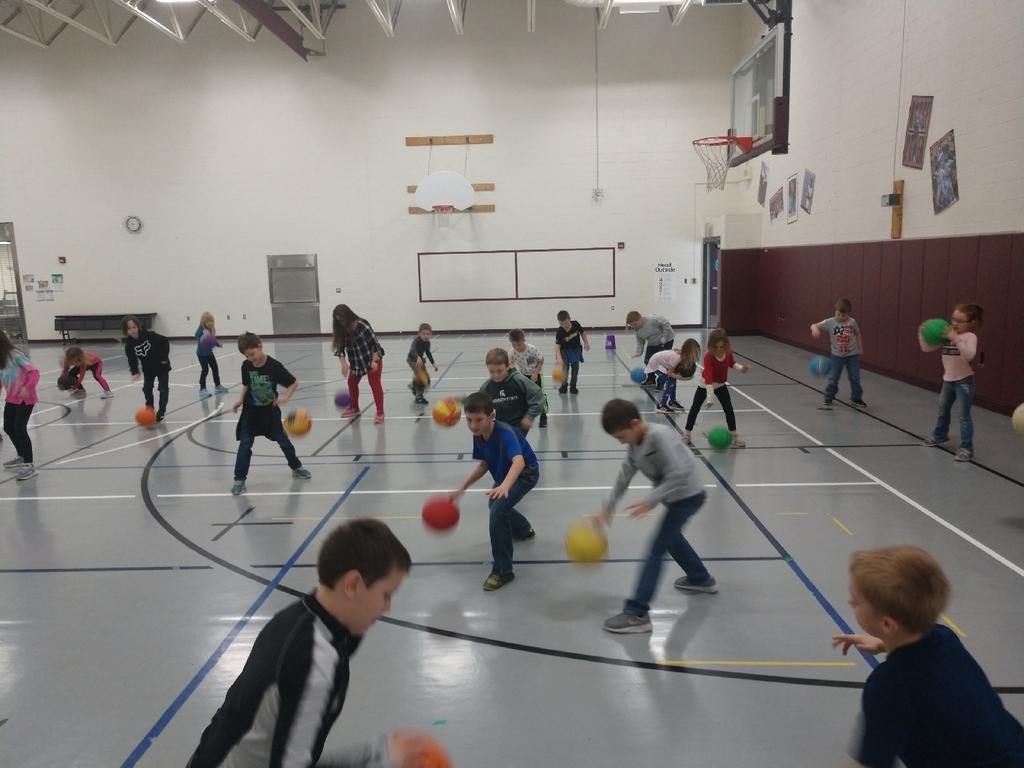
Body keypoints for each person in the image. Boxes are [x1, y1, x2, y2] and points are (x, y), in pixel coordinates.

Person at [187, 518, 436, 768]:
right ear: (352, 585)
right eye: (385, 595)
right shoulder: (314, 662)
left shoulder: (297, 619)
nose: (387, 608)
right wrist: (377, 758)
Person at [832, 545, 1024, 768]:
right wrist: (884, 644)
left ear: (887, 624)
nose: (849, 601)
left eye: (856, 601)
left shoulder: (890, 685)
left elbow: (871, 763)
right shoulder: (944, 637)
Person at [596, 399, 715, 633]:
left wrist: (651, 499)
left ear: (635, 424)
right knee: (672, 539)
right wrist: (607, 507)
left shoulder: (661, 436)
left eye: (621, 436)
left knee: (656, 549)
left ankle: (637, 613)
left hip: (689, 495)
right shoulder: (635, 445)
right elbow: (624, 476)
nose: (621, 442)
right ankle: (701, 579)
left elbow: (679, 473)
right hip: (674, 497)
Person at [452, 392, 539, 592]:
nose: (473, 425)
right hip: (505, 475)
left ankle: (503, 570)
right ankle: (524, 529)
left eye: (478, 420)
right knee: (495, 504)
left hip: (524, 474)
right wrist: (463, 485)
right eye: (469, 420)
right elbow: (484, 464)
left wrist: (505, 486)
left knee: (498, 510)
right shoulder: (479, 435)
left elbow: (519, 461)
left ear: (491, 416)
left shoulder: (505, 433)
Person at [230, 332, 312, 496]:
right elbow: (246, 384)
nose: (251, 359)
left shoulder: (274, 366)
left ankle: (296, 466)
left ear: (260, 346)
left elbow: (293, 383)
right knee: (245, 445)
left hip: (270, 414)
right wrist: (240, 399)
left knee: (284, 442)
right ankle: (239, 479)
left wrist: (286, 397)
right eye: (247, 356)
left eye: (252, 354)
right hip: (250, 414)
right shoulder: (246, 366)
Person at [919, 302, 983, 461]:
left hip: (964, 382)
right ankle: (940, 435)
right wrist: (922, 333)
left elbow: (969, 356)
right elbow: (926, 348)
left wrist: (956, 339)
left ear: (970, 323)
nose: (955, 323)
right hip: (948, 381)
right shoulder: (946, 336)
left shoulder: (969, 337)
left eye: (960, 321)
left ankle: (967, 448)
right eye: (954, 319)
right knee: (942, 410)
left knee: (963, 416)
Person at [682, 328, 750, 447]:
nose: (719, 350)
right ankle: (687, 434)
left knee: (728, 408)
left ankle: (734, 435)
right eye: (716, 347)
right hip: (705, 384)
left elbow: (731, 363)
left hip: (721, 384)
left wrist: (741, 368)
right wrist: (710, 398)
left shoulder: (728, 352)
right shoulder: (708, 357)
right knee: (695, 408)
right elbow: (709, 376)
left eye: (721, 347)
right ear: (711, 345)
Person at [333, 304, 385, 424]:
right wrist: (344, 364)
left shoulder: (362, 325)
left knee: (374, 383)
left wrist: (374, 361)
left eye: (342, 319)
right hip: (356, 362)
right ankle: (354, 407)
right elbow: (340, 350)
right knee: (351, 382)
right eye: (338, 321)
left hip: (371, 359)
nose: (341, 323)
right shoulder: (341, 330)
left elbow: (374, 343)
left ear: (348, 315)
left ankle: (380, 412)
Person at [811, 298, 866, 408]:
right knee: (833, 378)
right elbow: (814, 325)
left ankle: (856, 398)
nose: (840, 317)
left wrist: (860, 347)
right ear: (835, 312)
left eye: (843, 315)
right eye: (838, 314)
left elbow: (857, 333)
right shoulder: (830, 322)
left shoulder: (852, 322)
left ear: (848, 314)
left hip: (852, 355)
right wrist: (814, 328)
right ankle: (829, 396)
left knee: (855, 377)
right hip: (837, 356)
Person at [0, 330, 40, 480]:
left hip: (25, 398)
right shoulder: (1, 359)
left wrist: (28, 388)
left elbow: (34, 372)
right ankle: (21, 456)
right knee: (8, 427)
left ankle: (29, 465)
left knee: (19, 428)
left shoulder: (15, 355)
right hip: (11, 398)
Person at [480, 348, 543, 436]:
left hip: (518, 424)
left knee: (511, 442)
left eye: (499, 371)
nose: (496, 375)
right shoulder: (486, 388)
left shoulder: (519, 380)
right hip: (499, 425)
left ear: (508, 366)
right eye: (492, 371)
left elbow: (537, 395)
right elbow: (479, 406)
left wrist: (530, 416)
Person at [122, 315, 171, 423]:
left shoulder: (149, 335)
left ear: (138, 326)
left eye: (134, 327)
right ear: (125, 330)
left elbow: (164, 341)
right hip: (148, 369)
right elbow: (132, 359)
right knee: (147, 389)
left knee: (163, 389)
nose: (132, 330)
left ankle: (161, 412)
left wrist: (164, 357)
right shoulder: (129, 345)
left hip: (162, 366)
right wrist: (135, 372)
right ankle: (149, 408)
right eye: (129, 328)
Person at [646, 338, 700, 415]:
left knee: (672, 380)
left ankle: (672, 401)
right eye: (695, 352)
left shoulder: (682, 356)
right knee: (670, 382)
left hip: (662, 363)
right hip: (656, 363)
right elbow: (670, 373)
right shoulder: (677, 357)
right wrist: (683, 379)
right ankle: (661, 405)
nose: (695, 354)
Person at [508, 328, 548, 428]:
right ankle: (524, 416)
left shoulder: (531, 349)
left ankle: (543, 415)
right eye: (514, 345)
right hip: (523, 375)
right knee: (523, 396)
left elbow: (541, 360)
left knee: (541, 394)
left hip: (536, 374)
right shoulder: (512, 353)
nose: (517, 347)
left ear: (524, 340)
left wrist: (536, 373)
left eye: (519, 344)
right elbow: (511, 364)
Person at [625, 311, 675, 386]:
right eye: (632, 326)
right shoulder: (637, 330)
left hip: (666, 342)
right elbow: (640, 341)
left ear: (640, 318)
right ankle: (651, 379)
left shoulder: (652, 319)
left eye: (635, 324)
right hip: (652, 343)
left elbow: (666, 324)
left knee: (661, 362)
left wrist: (664, 337)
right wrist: (639, 352)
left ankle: (661, 381)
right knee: (648, 361)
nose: (634, 327)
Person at [554, 310, 590, 394]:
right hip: (564, 349)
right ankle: (564, 385)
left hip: (575, 348)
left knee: (575, 365)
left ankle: (573, 385)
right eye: (561, 324)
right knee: (565, 367)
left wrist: (586, 342)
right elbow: (557, 346)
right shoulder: (559, 332)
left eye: (566, 323)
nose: (564, 326)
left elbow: (582, 333)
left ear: (570, 319)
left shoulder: (576, 324)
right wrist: (559, 358)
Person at [195, 311, 228, 399]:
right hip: (201, 354)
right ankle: (202, 388)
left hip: (209, 353)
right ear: (203, 322)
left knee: (215, 368)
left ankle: (217, 385)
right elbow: (196, 334)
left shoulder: (211, 330)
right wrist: (203, 333)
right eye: (207, 321)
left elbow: (211, 340)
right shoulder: (201, 329)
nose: (210, 323)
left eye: (211, 321)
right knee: (205, 370)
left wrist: (217, 344)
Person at [407, 323, 438, 406]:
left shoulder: (427, 343)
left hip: (420, 361)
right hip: (412, 360)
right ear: (419, 333)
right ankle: (419, 397)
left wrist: (433, 363)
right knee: (422, 379)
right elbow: (413, 350)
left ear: (431, 334)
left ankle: (413, 385)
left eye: (428, 334)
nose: (425, 336)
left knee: (427, 380)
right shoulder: (416, 341)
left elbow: (428, 353)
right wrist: (418, 358)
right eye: (423, 334)